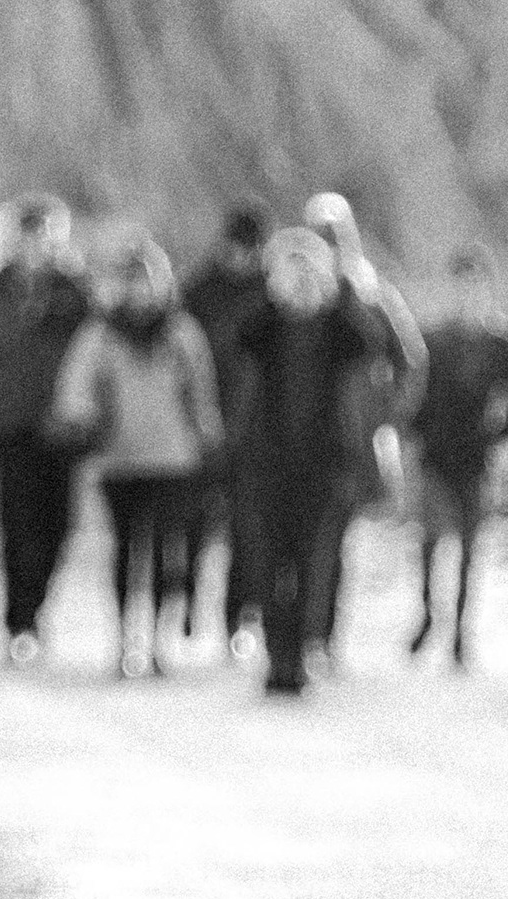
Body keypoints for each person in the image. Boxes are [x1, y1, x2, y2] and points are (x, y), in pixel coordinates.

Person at [47, 235, 223, 678]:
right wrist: (80, 424)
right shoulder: (101, 333)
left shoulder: (181, 332)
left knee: (168, 553)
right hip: (119, 459)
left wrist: (209, 439)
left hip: (173, 459)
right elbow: (75, 389)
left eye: (147, 280)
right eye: (132, 280)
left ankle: (160, 642)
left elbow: (201, 393)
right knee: (126, 551)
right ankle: (127, 641)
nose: (140, 290)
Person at [232, 227, 386, 696]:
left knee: (314, 565)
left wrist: (337, 292)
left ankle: (301, 653)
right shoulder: (266, 328)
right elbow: (241, 336)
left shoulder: (338, 329)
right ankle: (277, 657)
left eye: (308, 272)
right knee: (269, 564)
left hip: (326, 466)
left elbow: (368, 341)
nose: (300, 284)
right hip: (270, 466)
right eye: (290, 272)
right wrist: (274, 294)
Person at [0, 196, 92, 662]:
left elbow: (102, 359)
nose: (36, 245)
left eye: (46, 236)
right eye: (29, 235)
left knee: (59, 525)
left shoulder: (78, 296)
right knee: (17, 526)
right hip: (11, 426)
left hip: (62, 430)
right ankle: (20, 621)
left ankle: (36, 605)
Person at [301, 191, 426, 662]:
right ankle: (300, 632)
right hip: (299, 434)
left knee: (330, 538)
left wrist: (387, 415)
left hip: (350, 440)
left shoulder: (370, 297)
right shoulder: (297, 295)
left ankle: (320, 635)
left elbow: (410, 360)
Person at [409, 245, 508, 666]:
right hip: (434, 456)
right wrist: (416, 431)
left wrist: (497, 435)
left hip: (476, 459)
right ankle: (428, 614)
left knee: (469, 548)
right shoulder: (431, 341)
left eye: (475, 283)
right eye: (461, 283)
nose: (468, 292)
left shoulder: (504, 344)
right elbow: (411, 396)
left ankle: (460, 634)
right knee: (429, 542)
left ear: (487, 288)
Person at [182, 203, 269, 646]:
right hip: (201, 425)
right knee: (192, 527)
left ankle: (239, 617)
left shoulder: (269, 293)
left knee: (247, 532)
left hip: (253, 429)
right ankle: (188, 604)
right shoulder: (199, 290)